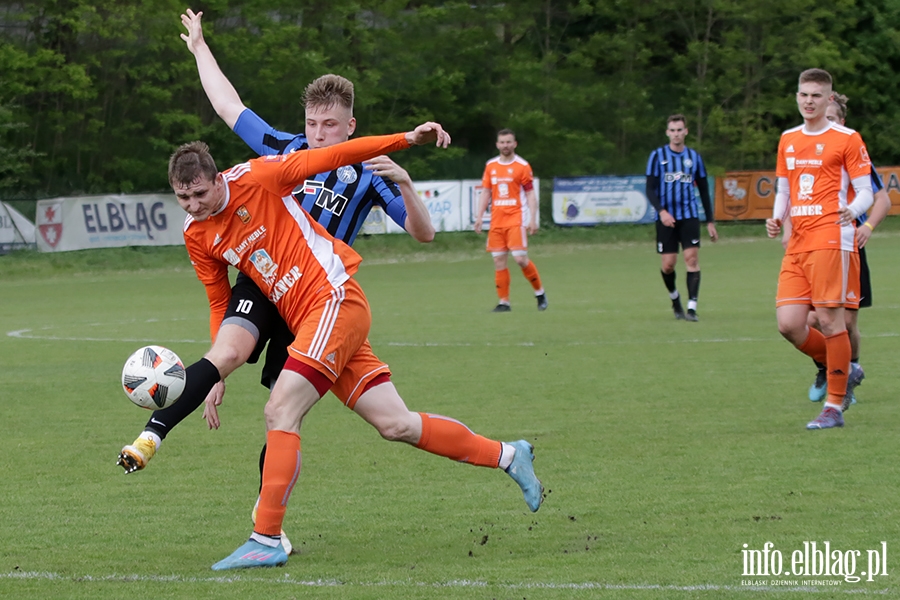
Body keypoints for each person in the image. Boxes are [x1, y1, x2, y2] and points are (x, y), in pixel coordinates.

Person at [117, 9, 437, 552]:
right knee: (224, 358)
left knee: (280, 412)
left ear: (348, 127)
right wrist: (198, 48)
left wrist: (404, 176)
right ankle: (155, 435)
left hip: (314, 300)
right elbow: (227, 105)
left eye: (328, 126)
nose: (317, 134)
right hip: (263, 287)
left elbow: (423, 234)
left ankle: (269, 525)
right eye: (311, 124)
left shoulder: (366, 172)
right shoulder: (283, 152)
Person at [168, 129, 543, 570]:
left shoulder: (262, 175)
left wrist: (407, 139)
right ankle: (509, 454)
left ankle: (266, 536)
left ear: (215, 179)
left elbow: (339, 153)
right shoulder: (197, 232)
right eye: (182, 198)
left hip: (331, 301)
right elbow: (220, 302)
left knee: (280, 410)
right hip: (313, 318)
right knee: (396, 424)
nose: (193, 205)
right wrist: (216, 371)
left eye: (198, 193)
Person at [766, 69, 874, 430]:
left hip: (831, 238)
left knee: (830, 321)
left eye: (816, 95)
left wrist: (854, 212)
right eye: (803, 94)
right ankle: (844, 367)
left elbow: (868, 192)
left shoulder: (847, 138)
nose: (808, 101)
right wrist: (776, 218)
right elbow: (784, 188)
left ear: (829, 100)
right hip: (798, 243)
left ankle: (834, 407)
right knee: (789, 324)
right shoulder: (788, 139)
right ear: (796, 97)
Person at [791, 92, 892, 405]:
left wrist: (867, 226)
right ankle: (830, 368)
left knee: (847, 323)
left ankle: (850, 369)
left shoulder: (852, 153)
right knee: (809, 320)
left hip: (847, 246)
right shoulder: (805, 152)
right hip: (814, 245)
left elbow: (883, 199)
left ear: (841, 121)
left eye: (832, 118)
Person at [645, 114, 718, 321]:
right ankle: (675, 299)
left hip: (689, 216)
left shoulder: (694, 158)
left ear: (686, 132)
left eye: (680, 130)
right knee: (668, 264)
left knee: (691, 259)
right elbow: (649, 189)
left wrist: (710, 221)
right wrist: (661, 211)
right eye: (673, 130)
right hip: (666, 218)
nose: (676, 134)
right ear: (668, 132)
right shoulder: (657, 156)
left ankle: (692, 308)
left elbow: (703, 191)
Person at [473, 129, 547, 312]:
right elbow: (486, 192)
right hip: (497, 220)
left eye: (508, 142)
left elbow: (530, 194)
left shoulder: (522, 166)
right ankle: (504, 302)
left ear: (515, 144)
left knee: (520, 259)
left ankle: (540, 293)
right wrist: (480, 216)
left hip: (516, 218)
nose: (505, 145)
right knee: (499, 261)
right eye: (502, 142)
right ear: (497, 144)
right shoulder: (491, 166)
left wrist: (533, 219)